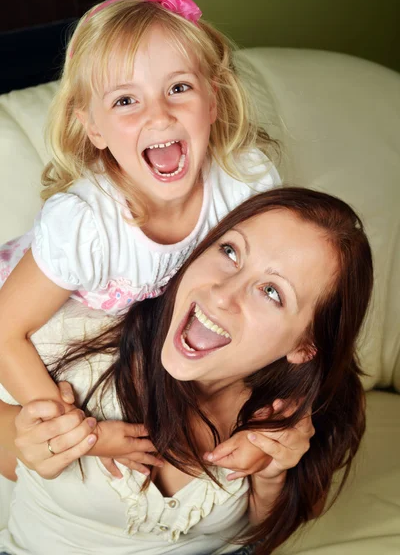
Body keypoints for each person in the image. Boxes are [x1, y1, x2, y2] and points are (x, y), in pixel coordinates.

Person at [0, 0, 280, 476]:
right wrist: (86, 432)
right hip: (35, 317)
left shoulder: (245, 184)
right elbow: (6, 332)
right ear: (94, 128)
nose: (159, 115)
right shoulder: (86, 224)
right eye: (125, 100)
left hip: (141, 335)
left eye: (178, 88)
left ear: (213, 98)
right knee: (27, 444)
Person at [0, 187, 373, 555]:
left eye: (272, 292)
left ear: (305, 345)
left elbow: (273, 525)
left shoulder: (301, 411)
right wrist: (33, 440)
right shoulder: (76, 341)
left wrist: (272, 474)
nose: (222, 294)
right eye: (230, 251)